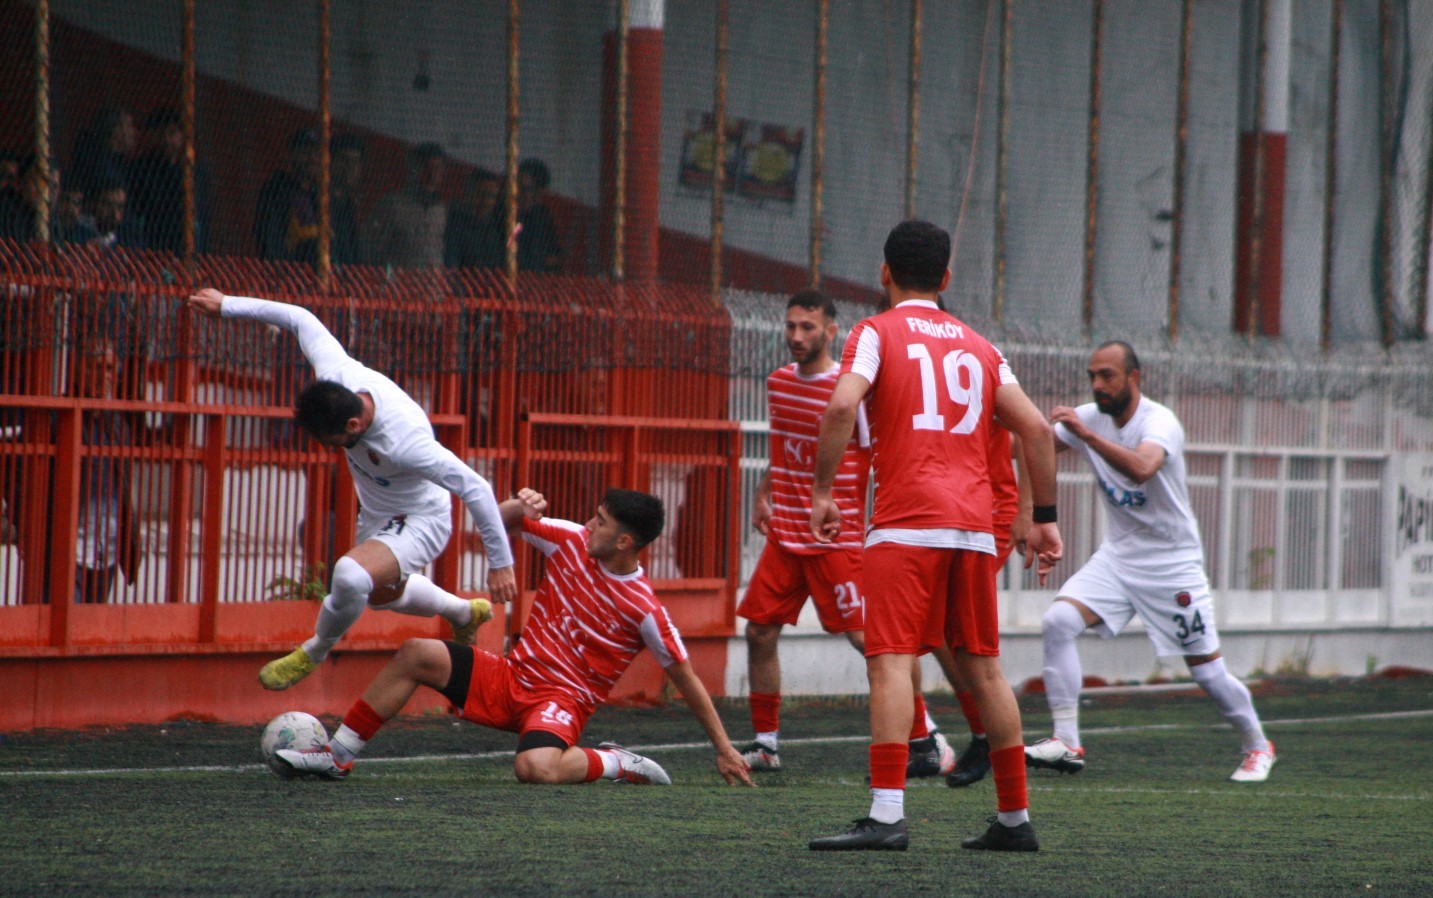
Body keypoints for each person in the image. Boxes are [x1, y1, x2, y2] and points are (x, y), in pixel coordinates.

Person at [806, 220, 1062, 853]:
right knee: (985, 668)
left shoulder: (874, 332)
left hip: (906, 521)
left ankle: (888, 816)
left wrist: (821, 493)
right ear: (947, 279)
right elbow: (1036, 430)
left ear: (884, 273)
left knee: (891, 660)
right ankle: (1013, 820)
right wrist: (1044, 517)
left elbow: (841, 407)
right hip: (975, 526)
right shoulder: (981, 346)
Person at [276, 486, 756, 788]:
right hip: (509, 676)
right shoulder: (571, 540)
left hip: (559, 702)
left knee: (535, 770)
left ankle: (614, 763)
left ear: (626, 542)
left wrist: (723, 747)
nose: (589, 524)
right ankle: (338, 757)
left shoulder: (645, 608)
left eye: (601, 521)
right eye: (594, 515)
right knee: (416, 652)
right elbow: (497, 519)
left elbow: (687, 678)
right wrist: (515, 504)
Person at [184, 287, 517, 690]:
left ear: (354, 426)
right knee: (380, 596)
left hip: (422, 518)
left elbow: (476, 487)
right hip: (378, 514)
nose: (329, 449)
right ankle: (464, 613)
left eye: (331, 441)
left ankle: (314, 650)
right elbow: (300, 317)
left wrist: (500, 563)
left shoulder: (406, 442)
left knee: (349, 574)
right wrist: (227, 305)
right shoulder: (336, 374)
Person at [1027, 341, 1277, 783]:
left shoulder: (1159, 422)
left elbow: (1142, 468)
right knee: (1058, 622)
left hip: (1171, 564)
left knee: (1207, 672)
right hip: (1119, 558)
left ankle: (1258, 746)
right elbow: (1034, 446)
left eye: (1107, 375)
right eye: (1093, 376)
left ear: (1133, 378)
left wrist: (1086, 436)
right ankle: (1066, 741)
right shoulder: (1090, 415)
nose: (1098, 385)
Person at [737, 288, 953, 778]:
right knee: (758, 632)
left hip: (837, 538)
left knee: (876, 643)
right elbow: (786, 445)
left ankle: (927, 737)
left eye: (807, 327)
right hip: (785, 534)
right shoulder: (777, 383)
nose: (796, 336)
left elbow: (877, 453)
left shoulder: (850, 388)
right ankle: (766, 745)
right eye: (791, 326)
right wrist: (762, 492)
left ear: (831, 331)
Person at [129, 107, 210, 255]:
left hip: (187, 246)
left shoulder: (193, 170)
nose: (166, 140)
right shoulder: (141, 169)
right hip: (154, 244)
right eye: (160, 134)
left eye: (172, 133)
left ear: (182, 135)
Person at [364, 142, 447, 269]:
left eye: (437, 168)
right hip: (401, 284)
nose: (431, 175)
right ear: (415, 169)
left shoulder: (442, 211)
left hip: (432, 285)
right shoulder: (393, 205)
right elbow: (370, 246)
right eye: (426, 167)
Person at [254, 128, 320, 262]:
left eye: (316, 152)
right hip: (289, 274)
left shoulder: (319, 195)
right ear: (293, 154)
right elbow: (269, 237)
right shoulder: (279, 189)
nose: (311, 158)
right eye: (305, 152)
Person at [444, 167, 503, 269]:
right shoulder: (456, 225)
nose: (486, 201)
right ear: (470, 194)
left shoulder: (496, 230)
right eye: (482, 194)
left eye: (492, 196)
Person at [515, 157, 562, 273]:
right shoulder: (503, 214)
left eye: (527, 189)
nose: (519, 194)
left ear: (540, 192)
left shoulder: (543, 218)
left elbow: (553, 258)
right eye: (517, 187)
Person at [329, 133, 365, 266]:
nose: (349, 167)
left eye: (355, 161)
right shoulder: (317, 200)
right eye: (343, 160)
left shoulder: (350, 206)